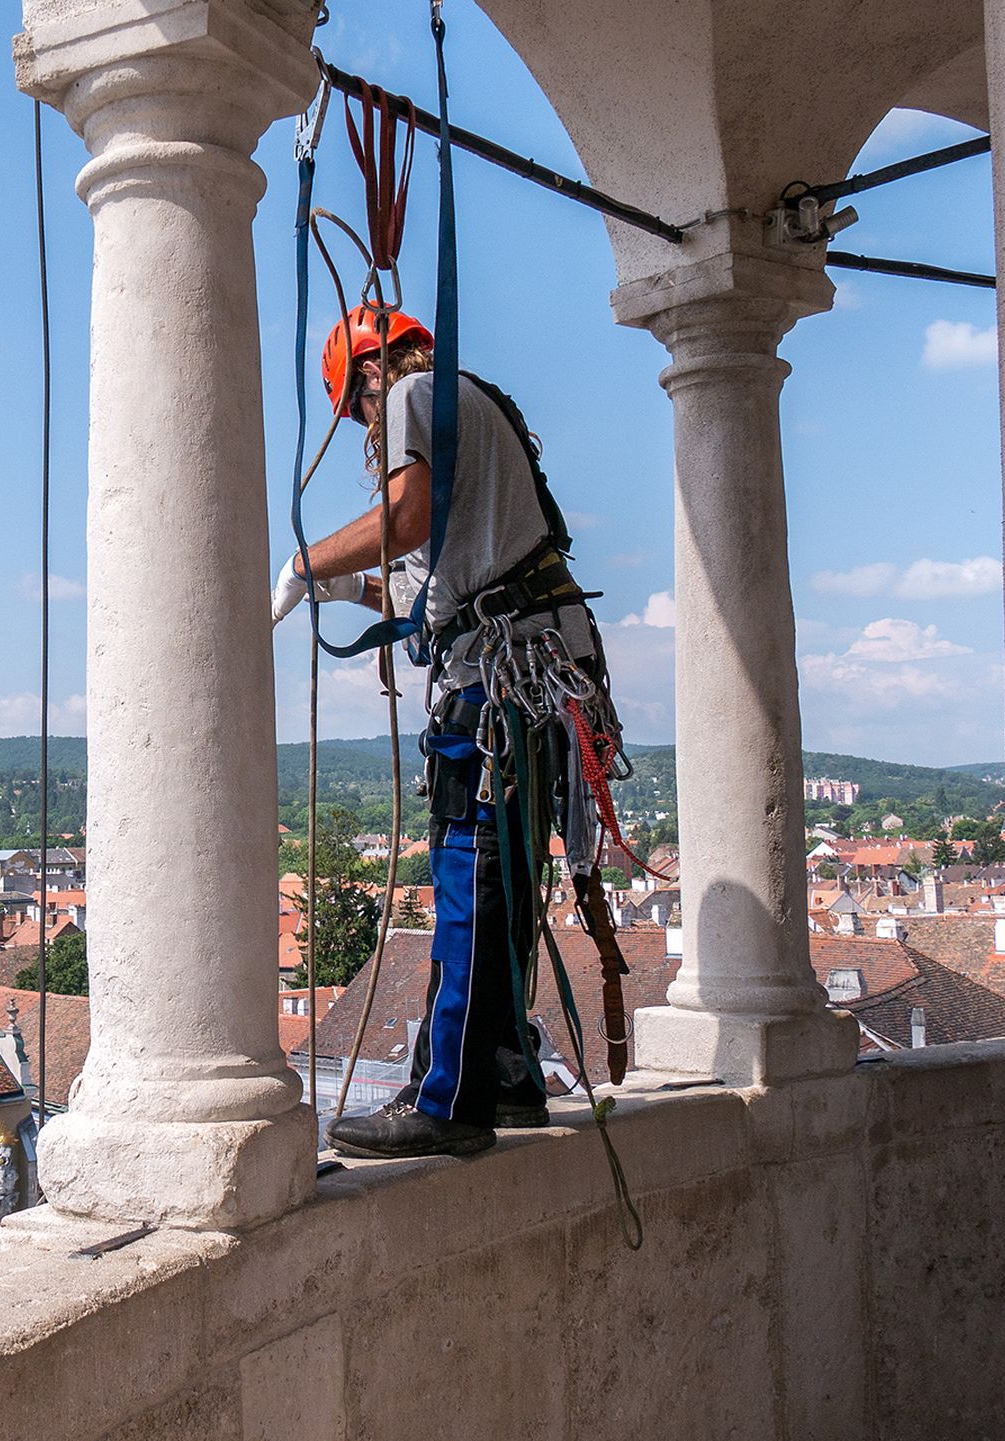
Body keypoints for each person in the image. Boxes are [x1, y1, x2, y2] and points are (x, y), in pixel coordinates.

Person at [271, 305, 611, 1159]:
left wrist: (308, 561)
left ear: (368, 374)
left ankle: (452, 1099)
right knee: (503, 882)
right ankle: (506, 1072)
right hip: (532, 669)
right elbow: (431, 587)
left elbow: (404, 519)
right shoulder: (471, 405)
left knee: (472, 875)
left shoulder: (419, 392)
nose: (363, 425)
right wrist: (349, 591)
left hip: (503, 680)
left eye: (356, 410)